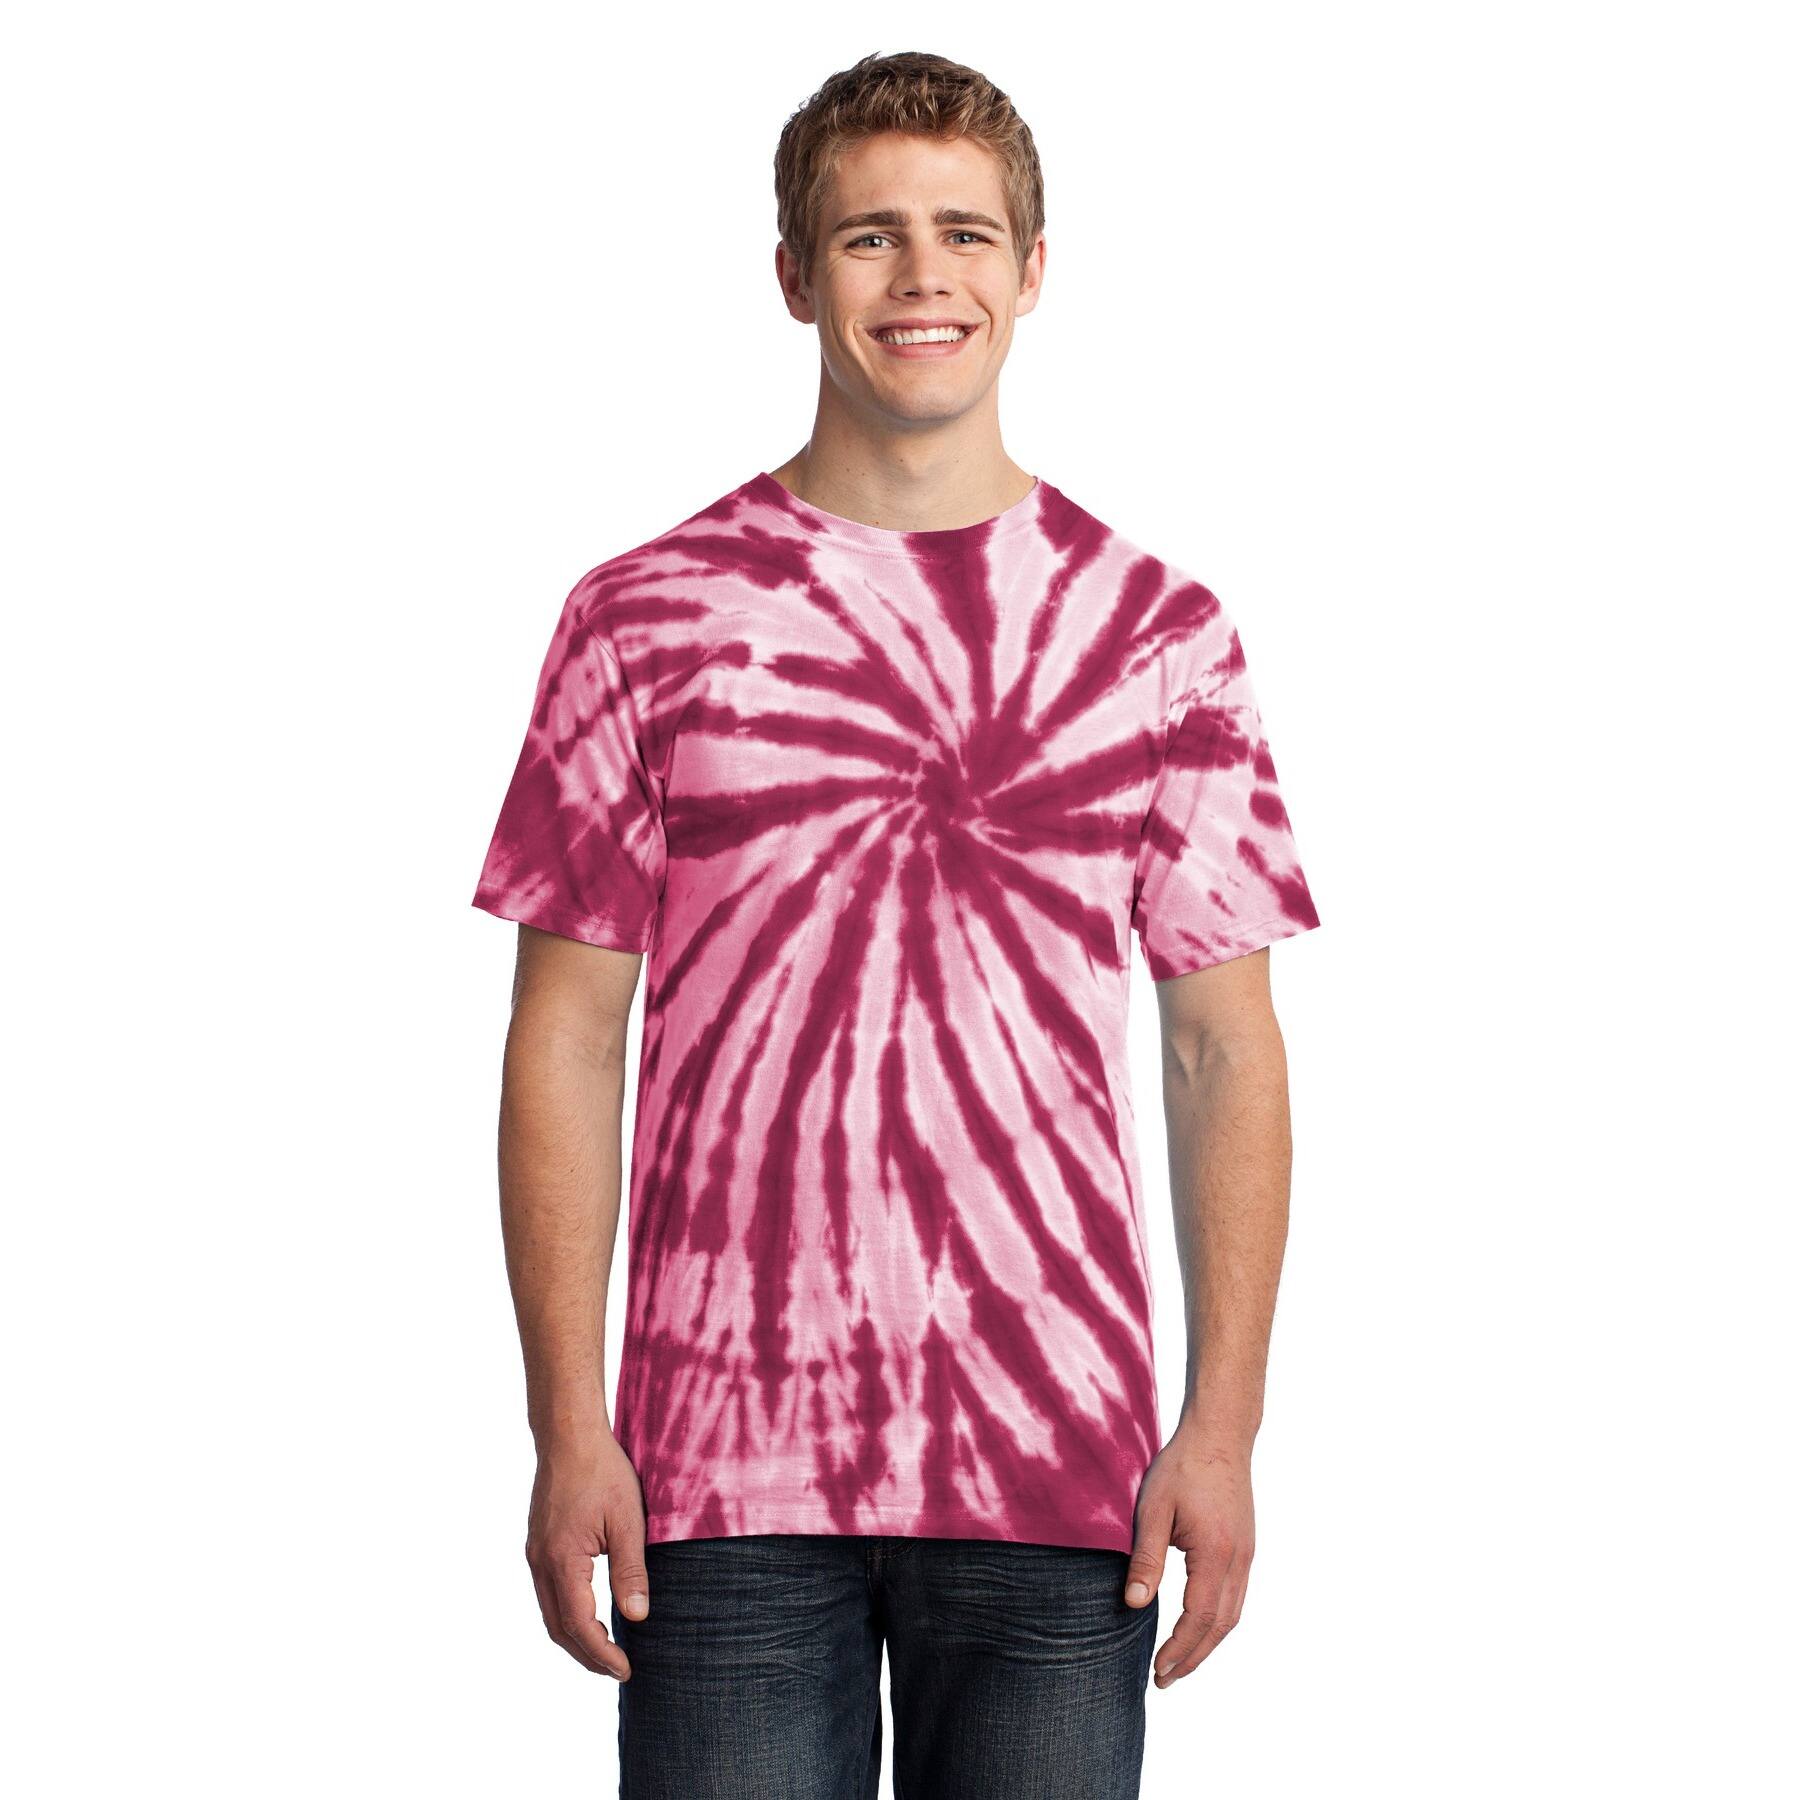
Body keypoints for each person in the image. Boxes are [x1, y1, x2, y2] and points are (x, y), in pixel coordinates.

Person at [470, 48, 1322, 1800]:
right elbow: (566, 1031)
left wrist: (1224, 1425)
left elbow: (1222, 1046)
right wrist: (567, 1424)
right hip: (714, 1469)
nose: (923, 276)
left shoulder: (1159, 632)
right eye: (870, 237)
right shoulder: (642, 616)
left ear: (1033, 269)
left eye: (965, 233)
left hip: (1059, 1465)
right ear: (795, 275)